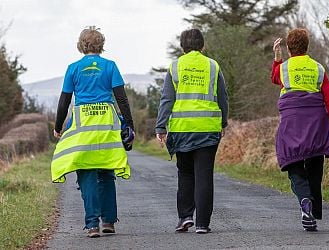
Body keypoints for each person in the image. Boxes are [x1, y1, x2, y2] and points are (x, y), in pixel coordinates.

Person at [51, 26, 135, 238]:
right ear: (101, 45)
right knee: (106, 171)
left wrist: (58, 126)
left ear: (81, 45)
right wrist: (129, 124)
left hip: (83, 126)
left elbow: (64, 100)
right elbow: (121, 98)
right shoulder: (110, 66)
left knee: (86, 172)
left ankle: (91, 225)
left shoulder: (73, 68)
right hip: (107, 124)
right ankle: (108, 221)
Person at [271, 28, 329, 231]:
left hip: (292, 123)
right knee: (314, 164)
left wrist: (277, 59)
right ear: (307, 46)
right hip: (316, 124)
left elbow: (274, 78)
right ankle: (312, 209)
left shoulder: (284, 68)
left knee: (293, 164)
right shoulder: (318, 68)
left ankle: (305, 200)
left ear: (288, 48)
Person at [155, 28, 229, 234]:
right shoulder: (213, 66)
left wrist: (161, 126)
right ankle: (203, 224)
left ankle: (185, 217)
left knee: (185, 173)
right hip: (208, 128)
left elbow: (167, 99)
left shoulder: (176, 66)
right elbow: (223, 96)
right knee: (204, 175)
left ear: (182, 46)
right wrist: (223, 122)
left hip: (182, 129)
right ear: (203, 45)